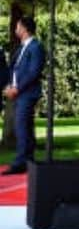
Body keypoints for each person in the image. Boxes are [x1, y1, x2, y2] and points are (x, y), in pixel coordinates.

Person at [3, 17, 44, 174]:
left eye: (18, 27)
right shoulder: (22, 48)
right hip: (19, 92)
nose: (15, 30)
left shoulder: (36, 47)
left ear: (25, 29)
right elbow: (13, 69)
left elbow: (33, 72)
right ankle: (28, 160)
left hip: (27, 93)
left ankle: (21, 161)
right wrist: (9, 86)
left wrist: (17, 88)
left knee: (21, 126)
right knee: (25, 126)